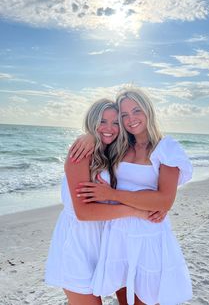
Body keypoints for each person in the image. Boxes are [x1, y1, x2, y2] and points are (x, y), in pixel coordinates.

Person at [74, 87, 193, 305]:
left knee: (145, 299)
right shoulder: (120, 147)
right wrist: (89, 135)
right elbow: (102, 137)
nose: (131, 119)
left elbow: (165, 200)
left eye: (136, 111)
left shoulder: (166, 148)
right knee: (124, 300)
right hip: (117, 233)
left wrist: (112, 194)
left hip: (148, 234)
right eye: (124, 115)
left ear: (148, 110)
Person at [45, 98, 161, 305]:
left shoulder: (113, 153)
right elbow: (84, 213)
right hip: (78, 244)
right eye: (102, 121)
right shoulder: (81, 153)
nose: (109, 128)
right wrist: (137, 211)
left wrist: (155, 204)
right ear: (92, 121)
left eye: (116, 122)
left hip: (109, 242)